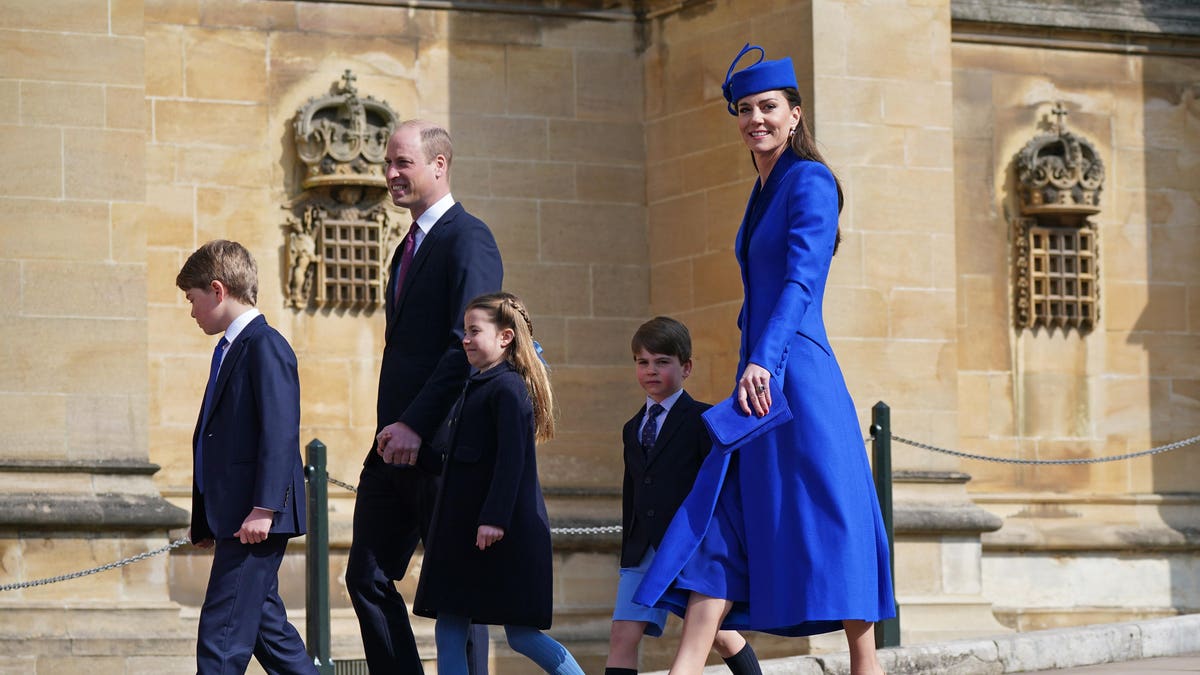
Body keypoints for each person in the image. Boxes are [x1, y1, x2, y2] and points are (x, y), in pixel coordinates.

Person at [633, 44, 895, 675]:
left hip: (796, 378)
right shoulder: (761, 190)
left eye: (769, 107)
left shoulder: (810, 181)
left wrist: (763, 359)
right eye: (746, 109)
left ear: (795, 114)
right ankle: (684, 668)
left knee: (834, 522)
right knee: (722, 523)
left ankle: (868, 665)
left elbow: (801, 282)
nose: (756, 118)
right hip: (760, 376)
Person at [346, 120, 503, 674]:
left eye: (402, 163)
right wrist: (397, 428)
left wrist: (416, 423)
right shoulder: (406, 248)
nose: (390, 174)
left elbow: (470, 346)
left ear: (439, 165)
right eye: (388, 164)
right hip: (395, 443)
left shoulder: (469, 238)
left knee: (457, 590)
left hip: (443, 444)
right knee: (363, 576)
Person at [412, 292, 583, 675]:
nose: (466, 339)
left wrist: (494, 519)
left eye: (475, 331)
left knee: (522, 634)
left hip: (498, 534)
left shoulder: (508, 389)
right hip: (467, 535)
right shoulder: (479, 385)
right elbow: (465, 459)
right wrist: (416, 452)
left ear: (505, 338)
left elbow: (513, 461)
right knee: (451, 624)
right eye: (465, 332)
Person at [176, 240, 317, 675]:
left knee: (220, 639)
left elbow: (279, 431)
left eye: (192, 300)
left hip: (254, 519)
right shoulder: (231, 348)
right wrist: (205, 521)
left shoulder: (264, 345)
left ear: (218, 291)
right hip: (235, 518)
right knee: (268, 633)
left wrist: (264, 507)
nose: (192, 311)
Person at [606, 317, 761, 675]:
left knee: (720, 636)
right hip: (642, 547)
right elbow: (634, 490)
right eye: (642, 362)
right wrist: (628, 547)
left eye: (662, 362)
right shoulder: (632, 428)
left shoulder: (704, 419)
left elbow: (721, 488)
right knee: (622, 636)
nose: (651, 370)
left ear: (686, 367)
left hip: (691, 546)